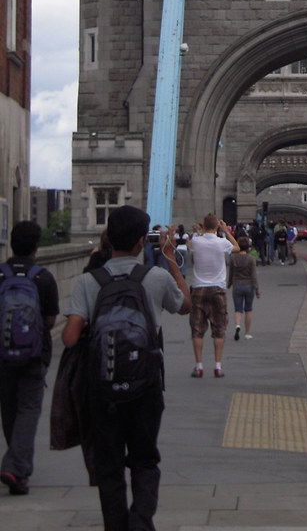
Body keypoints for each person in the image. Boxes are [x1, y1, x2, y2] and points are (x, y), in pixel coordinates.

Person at [61, 205, 190, 530]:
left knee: (110, 467)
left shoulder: (90, 281)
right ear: (139, 242)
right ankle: (141, 522)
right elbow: (186, 306)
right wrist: (170, 257)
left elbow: (69, 337)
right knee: (145, 461)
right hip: (147, 386)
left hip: (102, 389)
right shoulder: (155, 276)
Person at [0, 220, 59, 496]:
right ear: (37, 246)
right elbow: (49, 320)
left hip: (2, 354)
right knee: (28, 410)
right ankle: (14, 466)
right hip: (34, 355)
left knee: (9, 408)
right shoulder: (43, 277)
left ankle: (18, 471)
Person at [187, 213, 240, 377]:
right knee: (219, 328)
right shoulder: (222, 242)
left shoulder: (196, 241)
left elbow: (188, 246)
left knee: (197, 329)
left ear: (203, 225)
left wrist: (197, 232)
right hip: (218, 289)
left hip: (199, 289)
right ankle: (218, 366)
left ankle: (199, 366)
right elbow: (237, 247)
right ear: (217, 226)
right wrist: (226, 231)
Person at [228, 236, 260, 340]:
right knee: (248, 310)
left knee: (238, 309)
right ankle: (247, 333)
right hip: (248, 286)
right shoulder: (251, 259)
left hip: (237, 285)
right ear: (248, 247)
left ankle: (237, 325)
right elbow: (254, 275)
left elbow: (231, 273)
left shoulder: (233, 258)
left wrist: (229, 284)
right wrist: (257, 289)